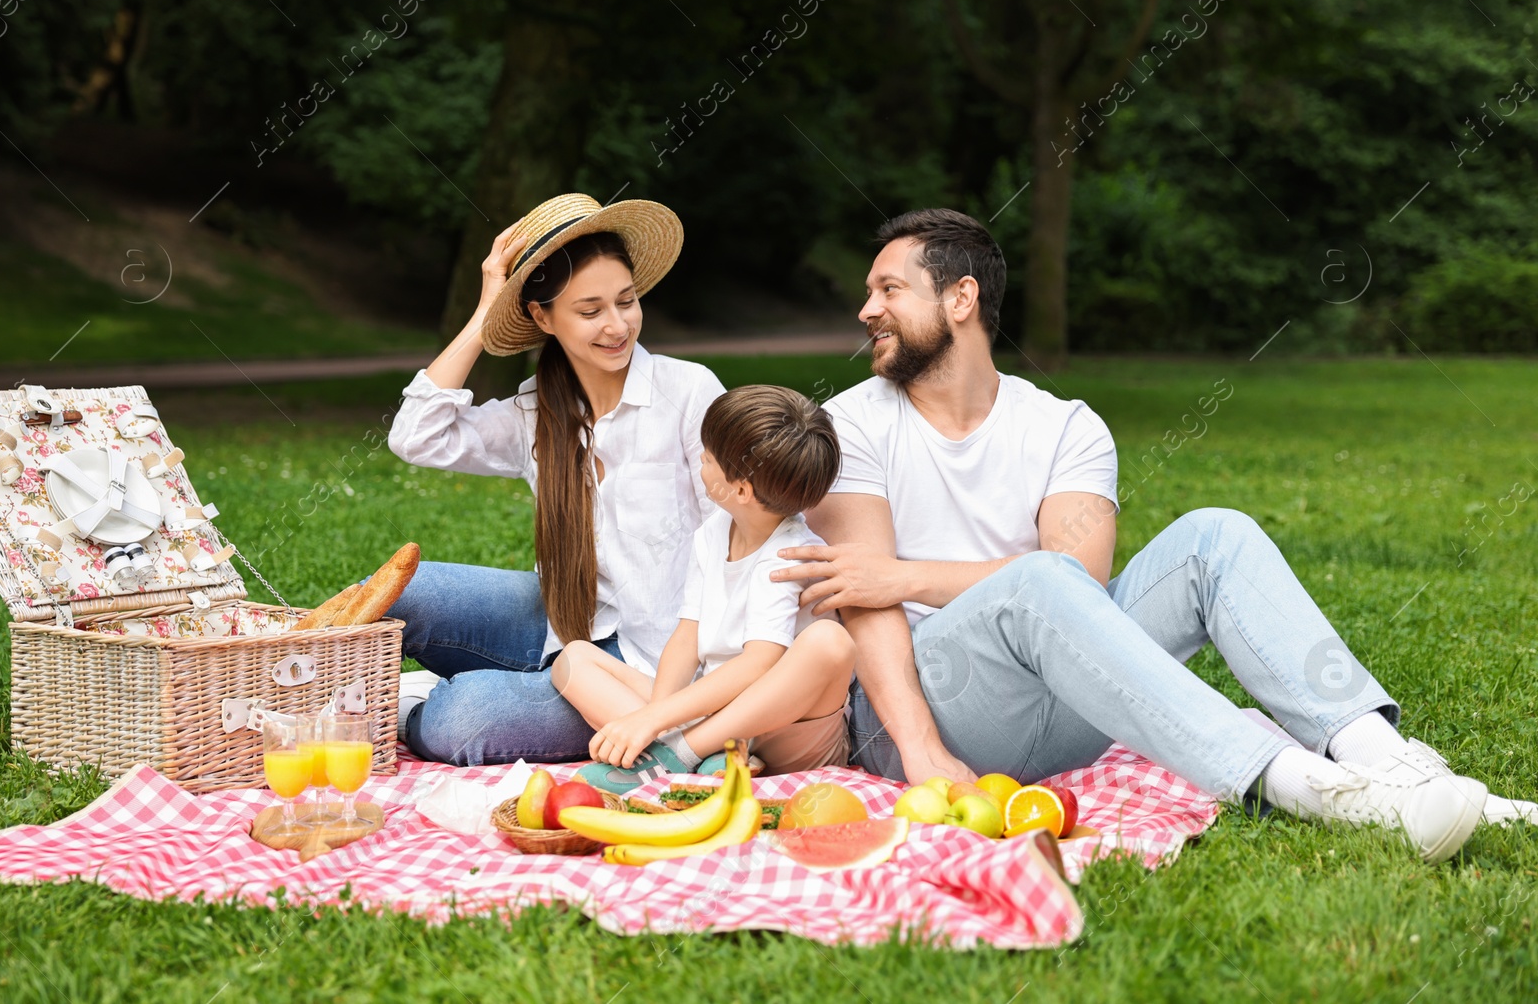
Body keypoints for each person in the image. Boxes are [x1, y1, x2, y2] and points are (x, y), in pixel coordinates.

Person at [775, 207, 1531, 864]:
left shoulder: (1066, 426)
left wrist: (906, 576)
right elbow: (863, 600)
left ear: (961, 297)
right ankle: (1314, 790)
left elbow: (1072, 577)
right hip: (917, 703)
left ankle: (1389, 762)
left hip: (1065, 696)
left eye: (888, 289)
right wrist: (919, 749)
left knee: (1215, 535)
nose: (866, 309)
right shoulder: (851, 424)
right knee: (1037, 582)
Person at [385, 193, 724, 765]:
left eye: (627, 301)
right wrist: (486, 311)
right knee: (402, 592)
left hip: (654, 665)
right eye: (590, 311)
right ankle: (512, 680)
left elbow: (734, 542)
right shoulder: (533, 413)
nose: (618, 326)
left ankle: (418, 707)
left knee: (460, 720)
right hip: (563, 623)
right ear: (543, 317)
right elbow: (416, 434)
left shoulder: (689, 393)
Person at [551, 385, 857, 793]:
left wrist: (654, 723)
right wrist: (658, 712)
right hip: (714, 713)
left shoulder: (787, 556)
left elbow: (758, 664)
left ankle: (678, 753)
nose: (700, 460)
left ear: (742, 491)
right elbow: (688, 633)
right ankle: (702, 756)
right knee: (572, 659)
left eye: (709, 459)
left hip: (785, 735)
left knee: (830, 641)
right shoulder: (715, 530)